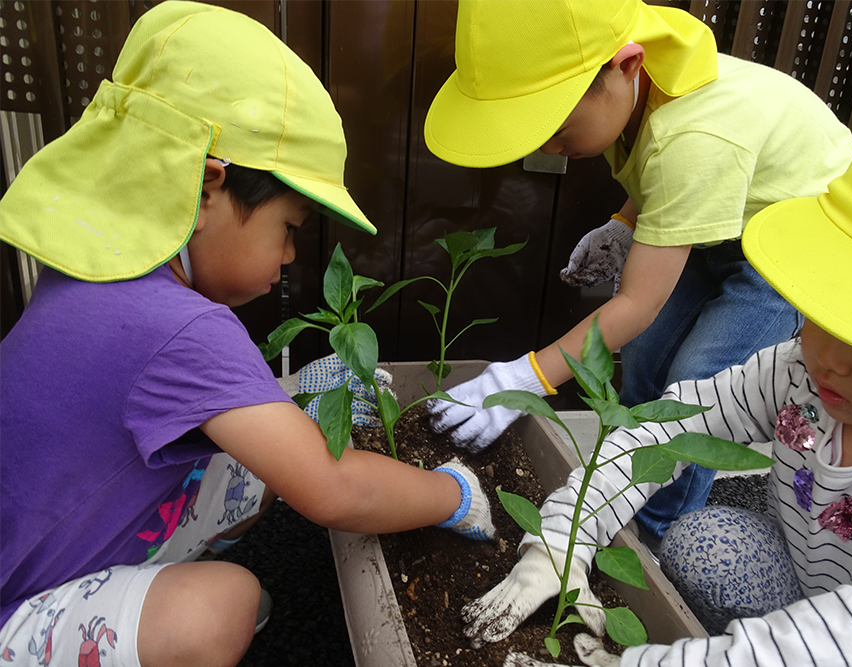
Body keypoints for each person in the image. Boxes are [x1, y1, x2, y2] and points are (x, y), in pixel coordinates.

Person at [0, 4, 493, 667]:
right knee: (222, 606)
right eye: (288, 228)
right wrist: (451, 492)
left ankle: (138, 609)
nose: (289, 256)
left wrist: (287, 403)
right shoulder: (184, 326)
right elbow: (332, 489)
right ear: (206, 188)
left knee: (250, 470)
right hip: (17, 608)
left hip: (37, 545)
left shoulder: (92, 274)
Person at [458, 98, 852, 667]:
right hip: (817, 584)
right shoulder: (798, 371)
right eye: (822, 309)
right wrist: (559, 539)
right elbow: (669, 428)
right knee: (702, 545)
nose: (828, 356)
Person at [421, 0, 852, 540]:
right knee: (646, 359)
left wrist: (523, 379)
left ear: (625, 65)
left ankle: (655, 532)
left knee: (693, 390)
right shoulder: (644, 88)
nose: (548, 147)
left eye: (556, 128)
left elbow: (637, 299)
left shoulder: (694, 138)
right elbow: (653, 175)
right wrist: (625, 223)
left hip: (791, 245)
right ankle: (621, 491)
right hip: (725, 216)